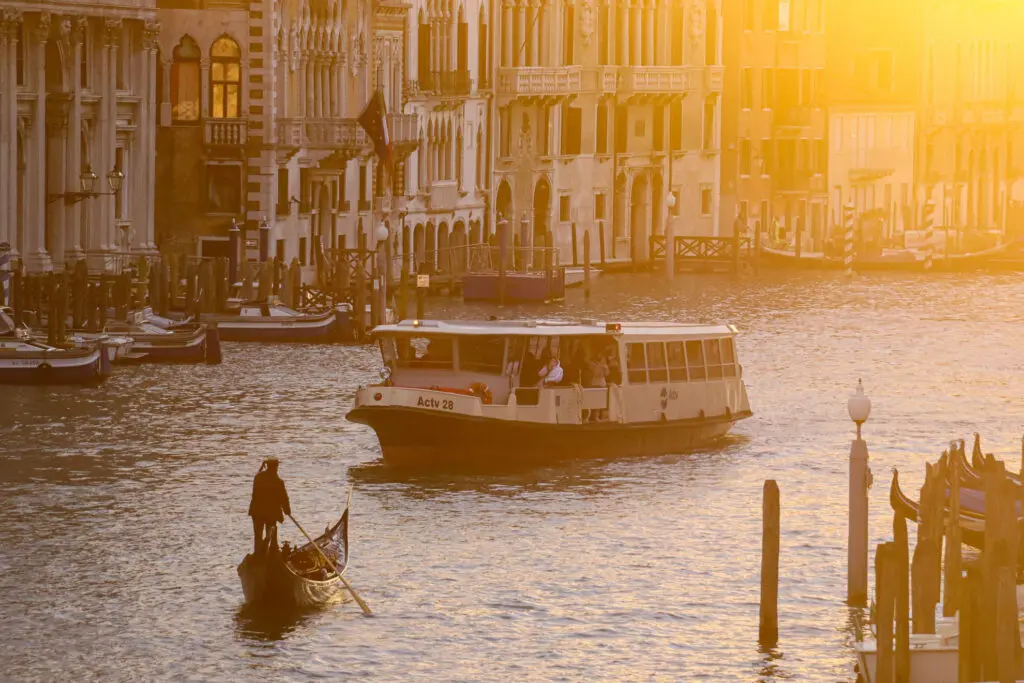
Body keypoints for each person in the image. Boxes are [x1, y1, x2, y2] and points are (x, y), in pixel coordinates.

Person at [248, 457, 291, 556]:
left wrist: (285, 509)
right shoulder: (278, 481)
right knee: (272, 533)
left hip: (257, 512)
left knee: (258, 535)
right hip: (270, 513)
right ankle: (272, 553)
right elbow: (284, 498)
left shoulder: (258, 477)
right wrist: (287, 510)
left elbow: (254, 495)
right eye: (277, 467)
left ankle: (259, 554)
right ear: (275, 467)